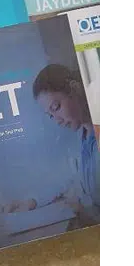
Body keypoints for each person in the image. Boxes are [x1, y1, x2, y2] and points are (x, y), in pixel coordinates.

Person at [32, 64, 100, 225]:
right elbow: (72, 182)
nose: (57, 120)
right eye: (50, 115)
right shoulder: (82, 138)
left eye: (56, 107)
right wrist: (33, 201)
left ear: (75, 89)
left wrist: (85, 212)